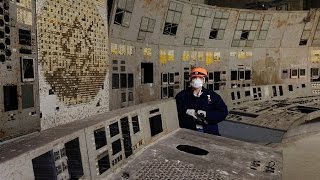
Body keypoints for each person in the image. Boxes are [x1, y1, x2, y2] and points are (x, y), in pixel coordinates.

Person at [175, 67, 228, 136]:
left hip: (209, 132)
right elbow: (175, 112)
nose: (197, 80)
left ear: (204, 80)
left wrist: (207, 114)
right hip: (188, 133)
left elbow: (223, 112)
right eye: (194, 77)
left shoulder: (212, 96)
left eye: (200, 78)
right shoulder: (181, 96)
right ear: (190, 80)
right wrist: (187, 111)